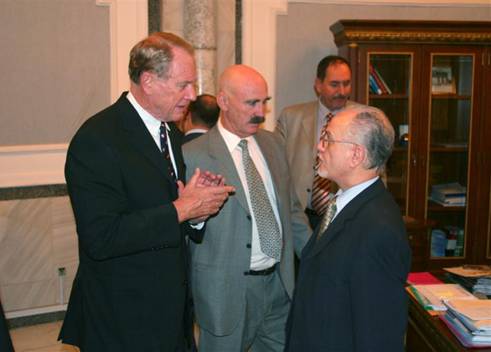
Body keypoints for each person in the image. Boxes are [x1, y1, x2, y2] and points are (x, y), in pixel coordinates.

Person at [58, 32, 234, 352]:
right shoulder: (97, 139)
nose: (192, 95)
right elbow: (102, 236)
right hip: (122, 320)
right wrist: (182, 209)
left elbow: (172, 216)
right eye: (183, 85)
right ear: (149, 81)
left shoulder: (171, 136)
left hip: (171, 317)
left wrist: (198, 211)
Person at [183, 65, 310, 352]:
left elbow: (291, 210)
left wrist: (317, 256)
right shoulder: (192, 154)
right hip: (224, 291)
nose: (261, 112)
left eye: (264, 101)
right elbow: (183, 226)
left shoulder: (274, 144)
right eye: (251, 102)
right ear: (223, 102)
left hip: (279, 285)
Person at [285, 106, 411, 352]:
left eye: (328, 139)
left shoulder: (378, 228)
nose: (319, 146)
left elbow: (378, 335)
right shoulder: (343, 203)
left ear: (356, 155)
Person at [275, 55, 361, 229]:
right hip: (302, 218)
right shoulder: (291, 117)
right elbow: (276, 166)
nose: (342, 91)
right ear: (318, 85)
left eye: (347, 83)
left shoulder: (364, 118)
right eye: (335, 84)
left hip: (348, 216)